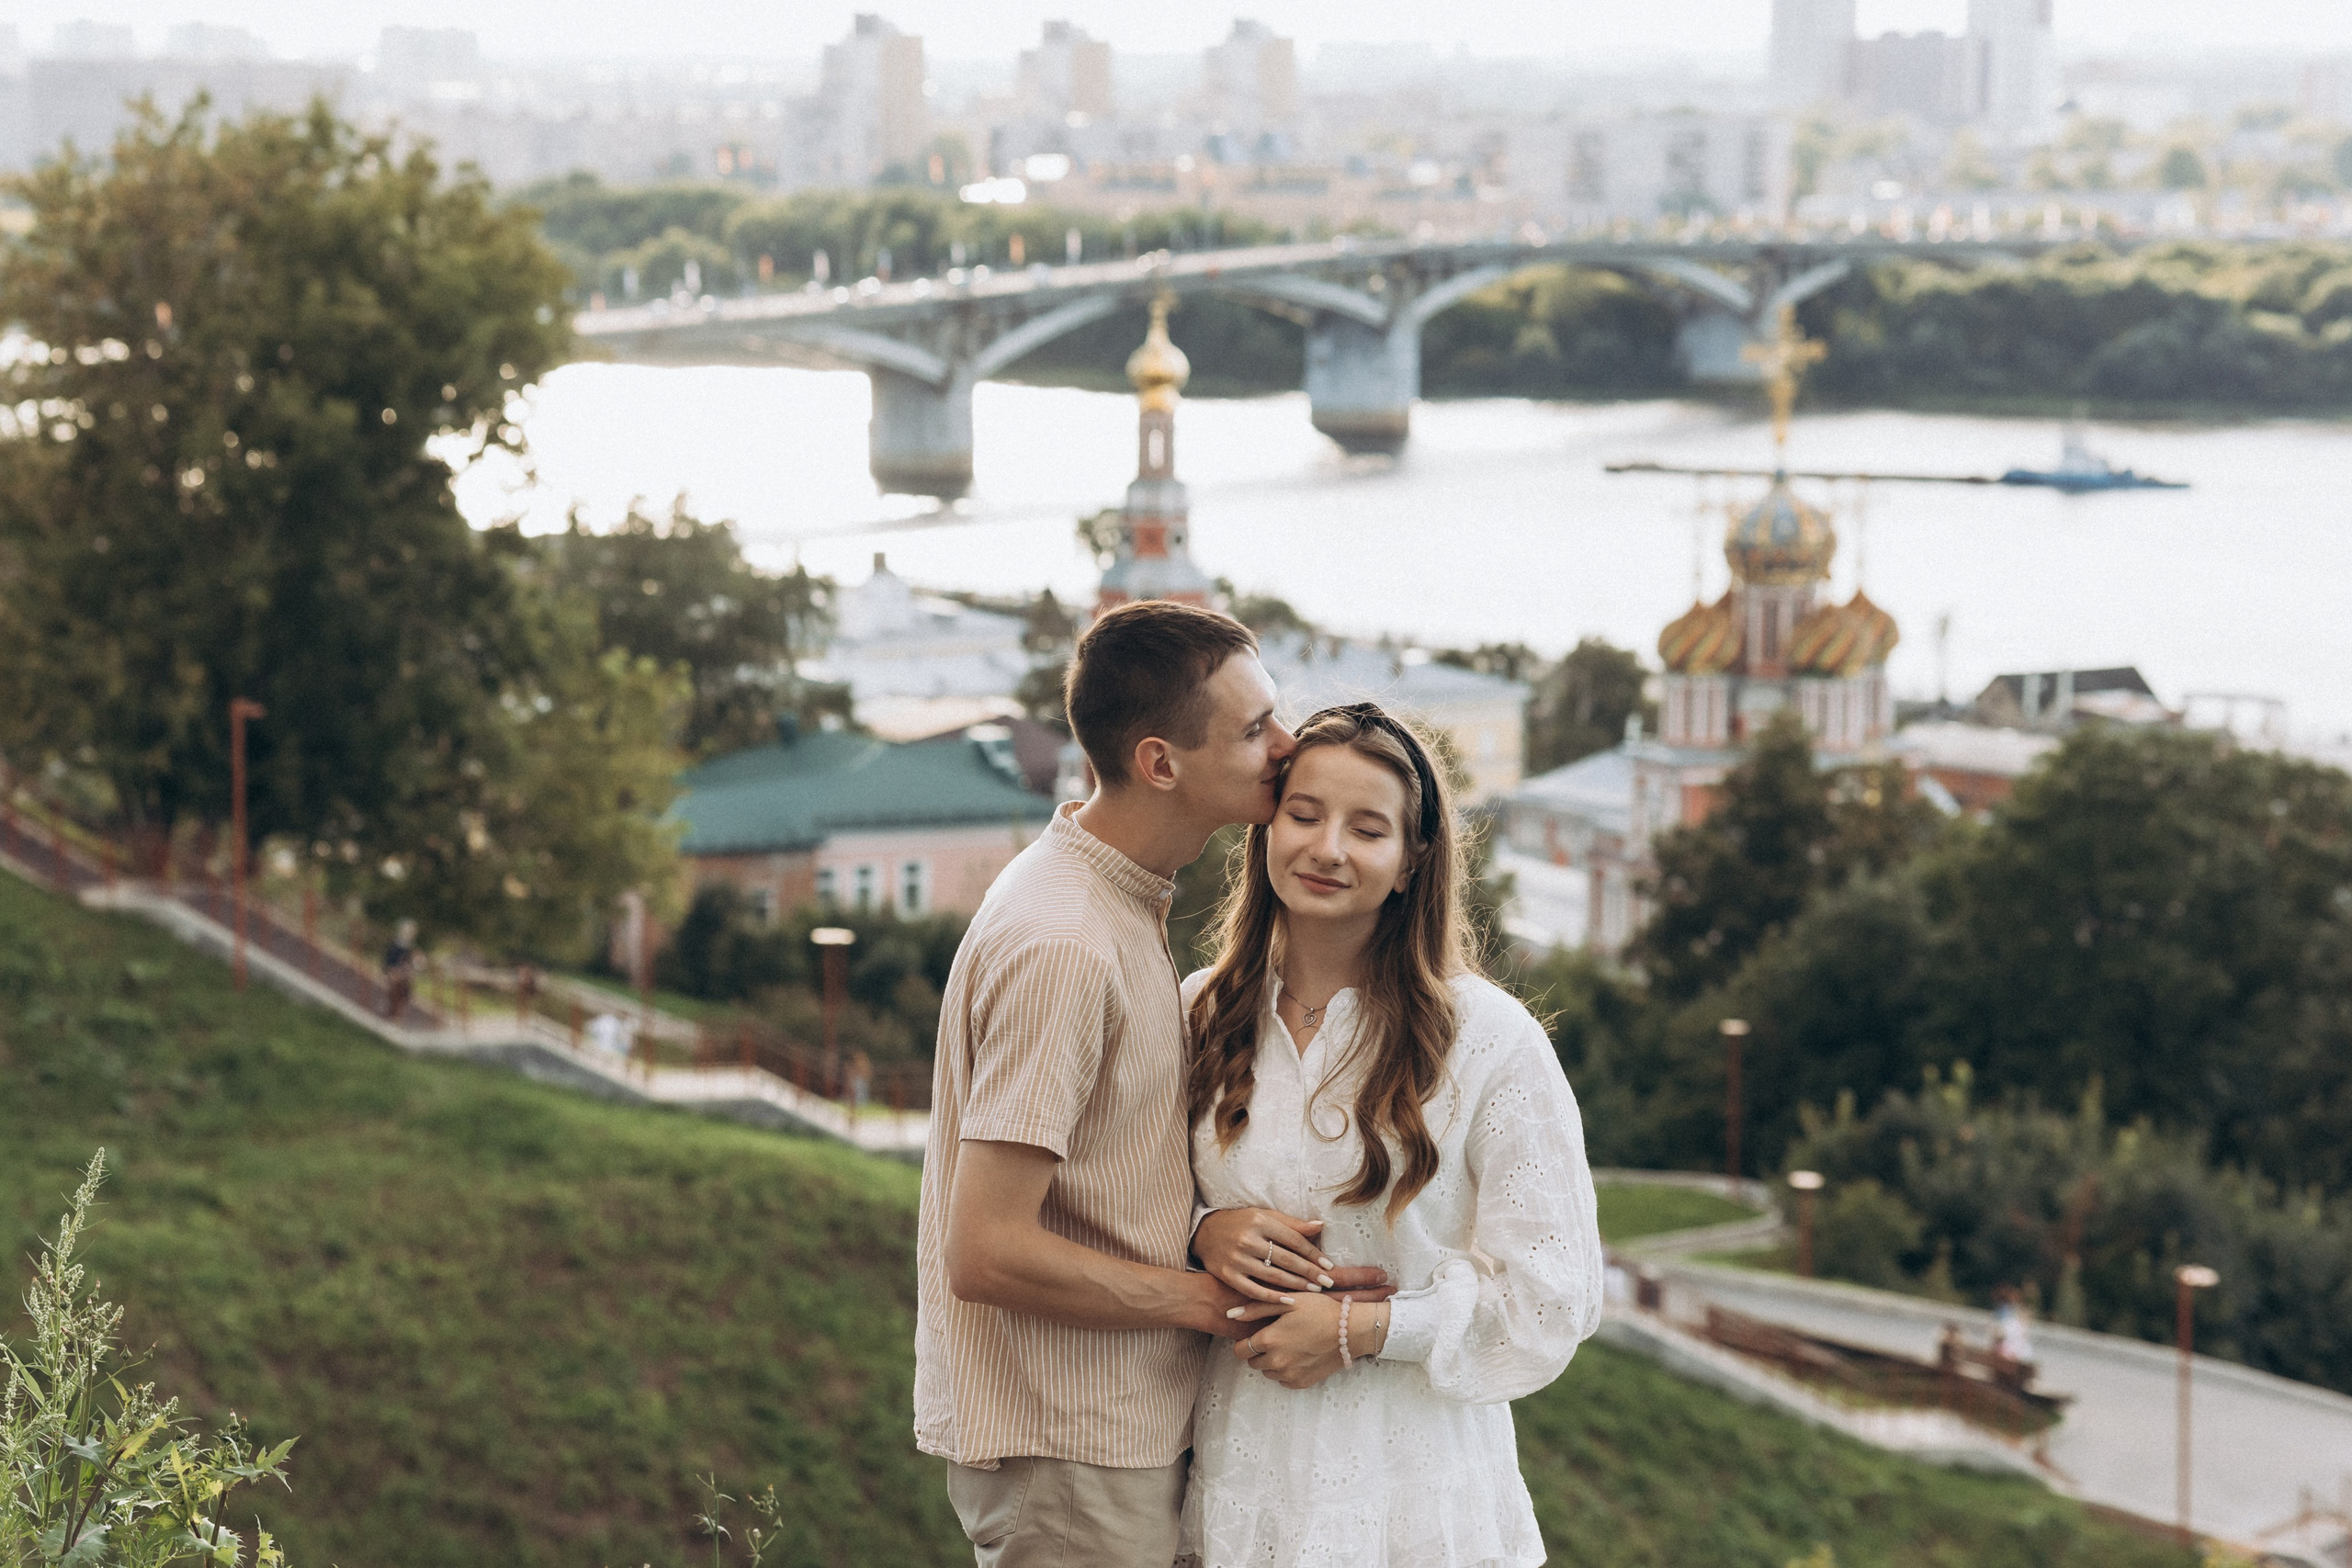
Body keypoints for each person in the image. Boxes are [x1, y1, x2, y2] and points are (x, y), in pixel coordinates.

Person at [915, 601, 1390, 1567]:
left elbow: (1108, 1171)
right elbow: (987, 1250)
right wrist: (1204, 1302)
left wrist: (1212, 1232)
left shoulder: (1112, 897)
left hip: (1108, 1434)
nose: (1286, 746)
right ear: (1160, 762)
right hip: (1070, 1448)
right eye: (1254, 729)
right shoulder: (1064, 944)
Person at [1182, 703, 1605, 1567]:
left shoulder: (1490, 1038)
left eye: (1367, 828)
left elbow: (1552, 1298)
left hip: (1416, 1500)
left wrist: (1361, 1329)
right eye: (1304, 814)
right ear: (1267, 828)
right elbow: (1117, 1202)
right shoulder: (1199, 1009)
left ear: (1413, 861)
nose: (1327, 847)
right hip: (1241, 1480)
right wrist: (1202, 1231)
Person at [381, 919, 417, 1021]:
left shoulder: (409, 947)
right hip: (392, 971)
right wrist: (391, 971)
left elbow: (409, 962)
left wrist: (409, 970)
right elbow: (389, 961)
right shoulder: (395, 945)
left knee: (405, 986)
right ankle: (390, 1009)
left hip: (403, 973)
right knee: (395, 985)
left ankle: (398, 1012)